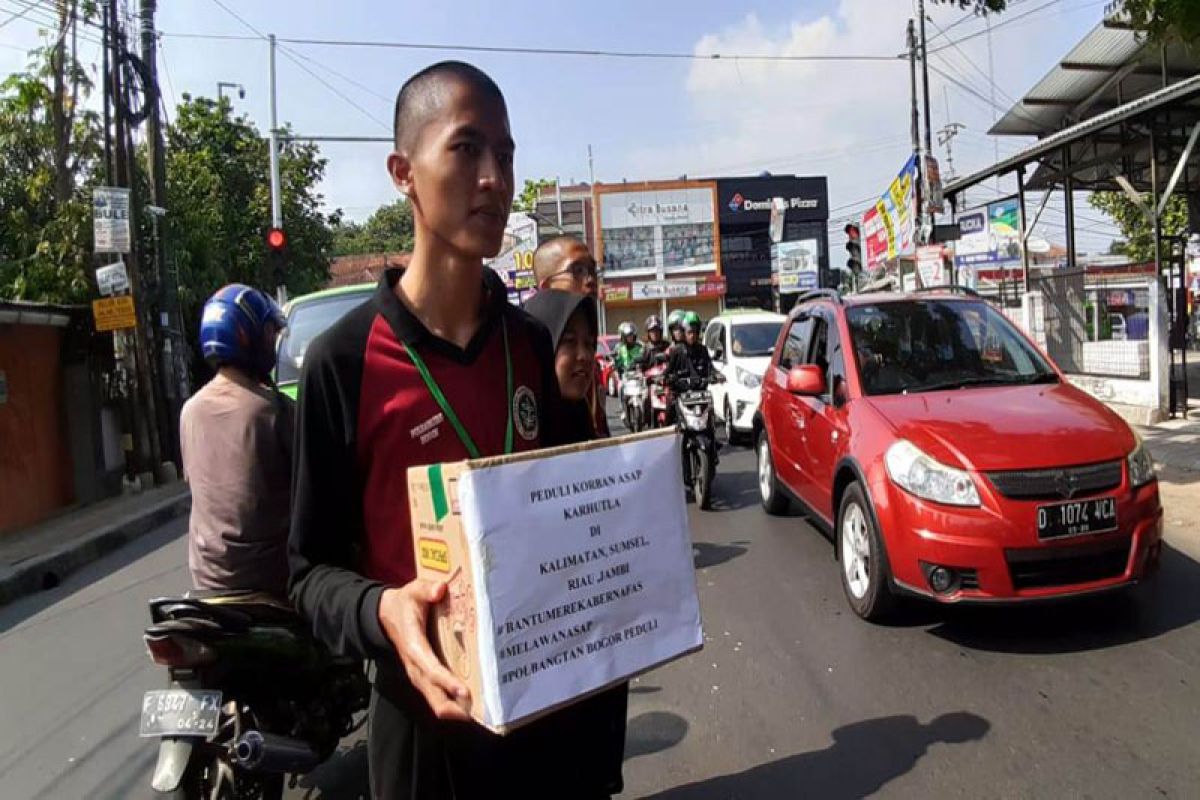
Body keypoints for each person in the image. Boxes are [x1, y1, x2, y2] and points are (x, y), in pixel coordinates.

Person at [288, 61, 625, 799]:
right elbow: (307, 574)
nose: (494, 179)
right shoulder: (342, 362)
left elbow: (572, 509)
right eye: (467, 149)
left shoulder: (529, 345)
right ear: (403, 172)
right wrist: (386, 610)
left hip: (546, 715)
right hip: (423, 731)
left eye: (505, 155)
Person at [181, 284, 292, 598]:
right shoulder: (274, 410)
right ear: (252, 338)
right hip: (274, 581)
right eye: (270, 333)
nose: (273, 342)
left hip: (208, 582)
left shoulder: (190, 412)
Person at [532, 235, 610, 438]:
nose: (591, 280)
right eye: (578, 271)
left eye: (593, 271)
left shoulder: (587, 372)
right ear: (545, 288)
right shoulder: (524, 374)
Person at [667, 310, 720, 395]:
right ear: (684, 333)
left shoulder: (703, 350)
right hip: (681, 395)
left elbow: (710, 368)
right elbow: (668, 373)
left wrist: (717, 375)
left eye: (695, 332)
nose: (692, 335)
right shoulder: (677, 351)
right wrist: (671, 378)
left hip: (701, 395)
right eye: (690, 332)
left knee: (711, 407)